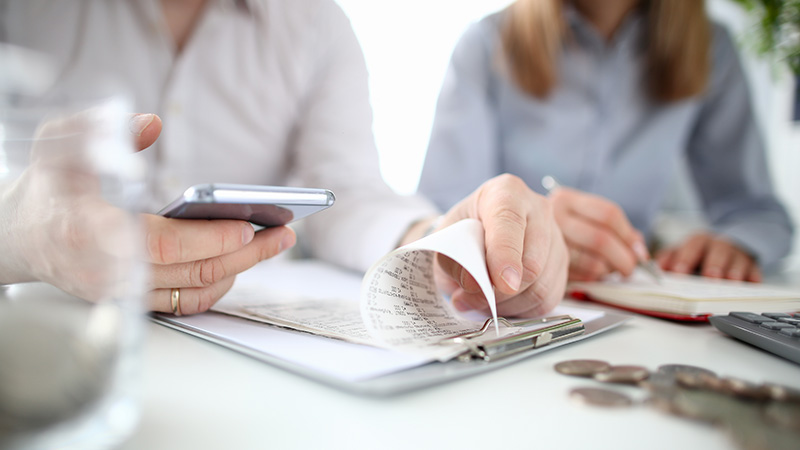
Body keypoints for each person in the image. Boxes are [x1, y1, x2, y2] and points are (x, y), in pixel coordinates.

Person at [0, 0, 568, 318]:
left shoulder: (318, 24)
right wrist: (16, 234)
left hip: (240, 349)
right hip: (40, 334)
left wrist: (441, 243)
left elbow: (348, 191)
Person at [419, 0, 794, 283]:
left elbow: (760, 216)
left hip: (636, 304)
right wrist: (518, 234)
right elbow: (439, 220)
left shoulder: (713, 49)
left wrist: (734, 245)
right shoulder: (486, 44)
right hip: (516, 297)